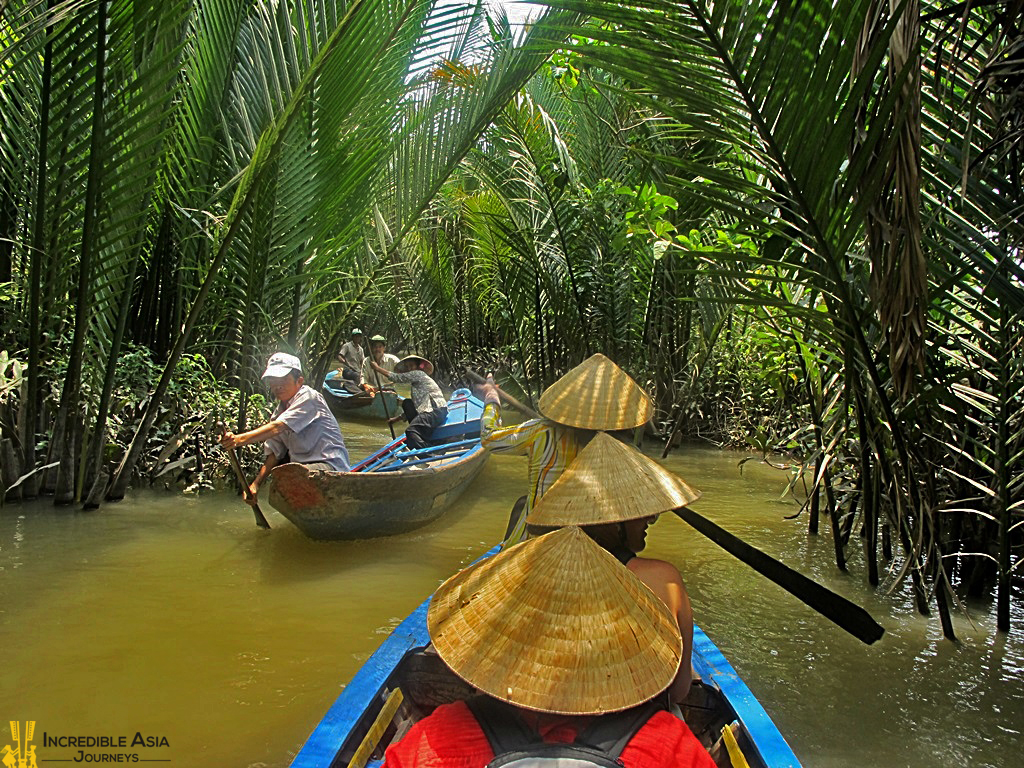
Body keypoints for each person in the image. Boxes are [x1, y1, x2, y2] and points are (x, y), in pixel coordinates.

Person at [383, 526, 717, 768]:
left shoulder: (436, 741)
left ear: (497, 648)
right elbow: (680, 690)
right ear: (611, 651)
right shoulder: (670, 746)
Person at [525, 432, 702, 704]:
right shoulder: (663, 580)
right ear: (610, 520)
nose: (653, 518)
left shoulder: (532, 570)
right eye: (641, 510)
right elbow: (678, 691)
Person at [478, 353, 654, 544]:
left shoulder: (542, 432)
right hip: (595, 549)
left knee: (524, 506)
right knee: (521, 504)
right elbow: (648, 513)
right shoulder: (628, 451)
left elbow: (489, 437)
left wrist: (491, 399)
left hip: (535, 543)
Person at [220, 352, 350, 505]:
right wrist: (256, 484)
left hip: (330, 466)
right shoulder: (278, 413)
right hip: (303, 470)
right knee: (282, 474)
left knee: (291, 475)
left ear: (299, 381)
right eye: (273, 381)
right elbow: (275, 453)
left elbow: (278, 427)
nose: (277, 386)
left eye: (283, 380)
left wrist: (238, 439)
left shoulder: (309, 397)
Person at [369, 354, 447, 451]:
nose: (410, 369)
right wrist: (397, 419)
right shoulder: (416, 383)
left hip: (435, 410)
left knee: (411, 431)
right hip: (430, 411)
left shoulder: (419, 374)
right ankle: (420, 438)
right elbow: (416, 405)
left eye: (412, 366)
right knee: (407, 403)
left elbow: (397, 378)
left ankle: (427, 452)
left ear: (418, 367)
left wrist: (377, 368)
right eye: (407, 367)